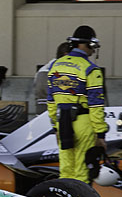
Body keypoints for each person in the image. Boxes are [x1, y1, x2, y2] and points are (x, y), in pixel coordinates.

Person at [46, 25, 108, 183]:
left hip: (62, 122)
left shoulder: (56, 66)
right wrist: (100, 134)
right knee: (82, 171)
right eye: (92, 47)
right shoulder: (91, 69)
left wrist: (56, 127)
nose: (93, 51)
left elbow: (51, 101)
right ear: (87, 44)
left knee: (66, 168)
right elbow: (96, 106)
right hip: (84, 124)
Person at [34, 41, 72, 115]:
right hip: (55, 114)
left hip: (40, 113)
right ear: (66, 55)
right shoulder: (60, 70)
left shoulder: (43, 69)